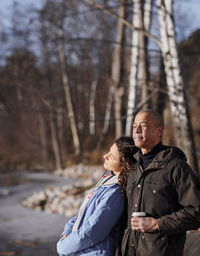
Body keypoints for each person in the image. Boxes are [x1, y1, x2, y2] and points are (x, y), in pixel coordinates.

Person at [121, 109, 200, 256]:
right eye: (134, 126)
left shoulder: (176, 167)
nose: (136, 130)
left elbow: (196, 212)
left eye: (143, 125)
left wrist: (157, 224)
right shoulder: (131, 167)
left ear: (159, 131)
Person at [57, 136, 136, 256]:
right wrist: (67, 231)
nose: (105, 156)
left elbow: (92, 232)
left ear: (123, 164)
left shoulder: (114, 194)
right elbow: (81, 214)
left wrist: (63, 246)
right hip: (80, 250)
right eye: (108, 152)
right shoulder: (106, 181)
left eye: (111, 156)